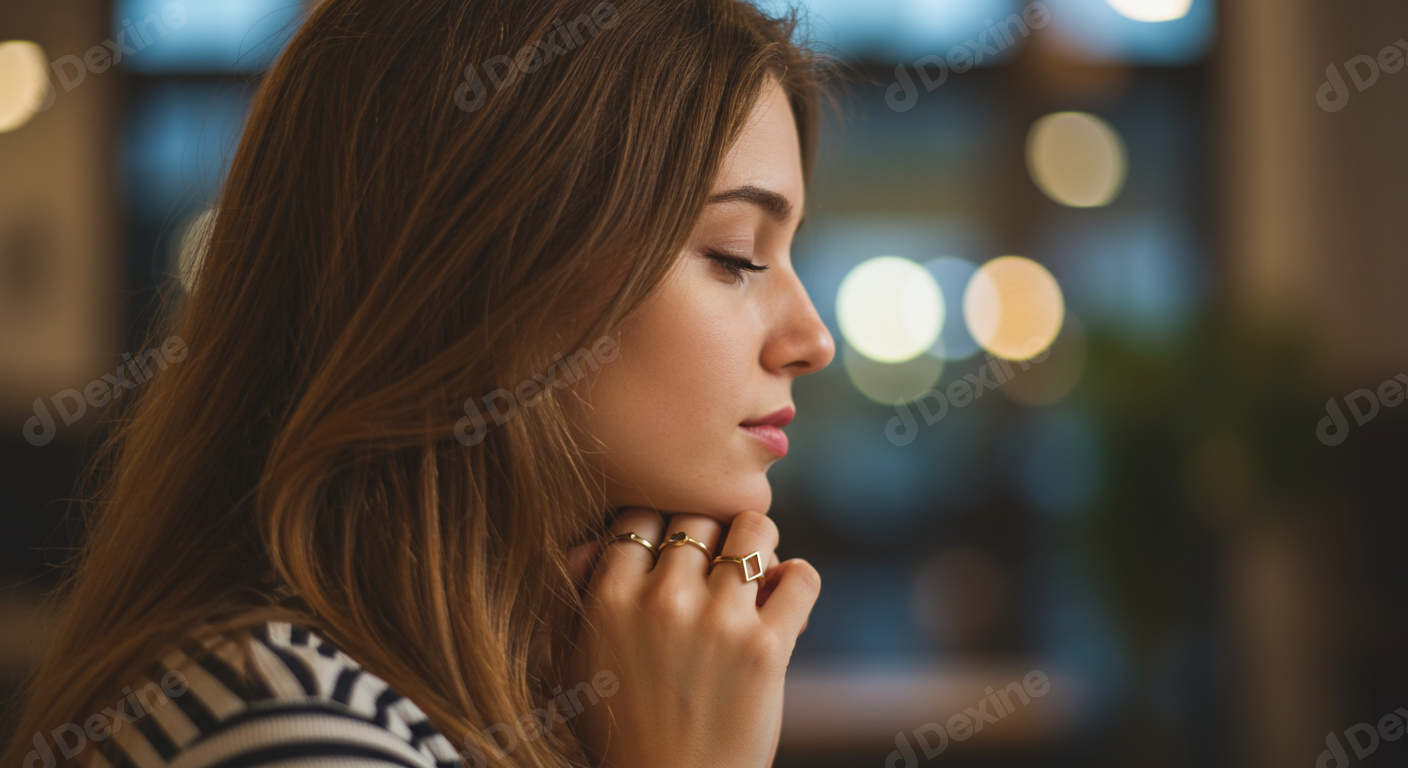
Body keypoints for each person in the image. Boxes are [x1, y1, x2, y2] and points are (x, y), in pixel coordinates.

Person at [3, 1, 836, 767]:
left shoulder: (468, 698)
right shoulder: (290, 733)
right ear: (491, 269)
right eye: (738, 256)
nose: (814, 340)